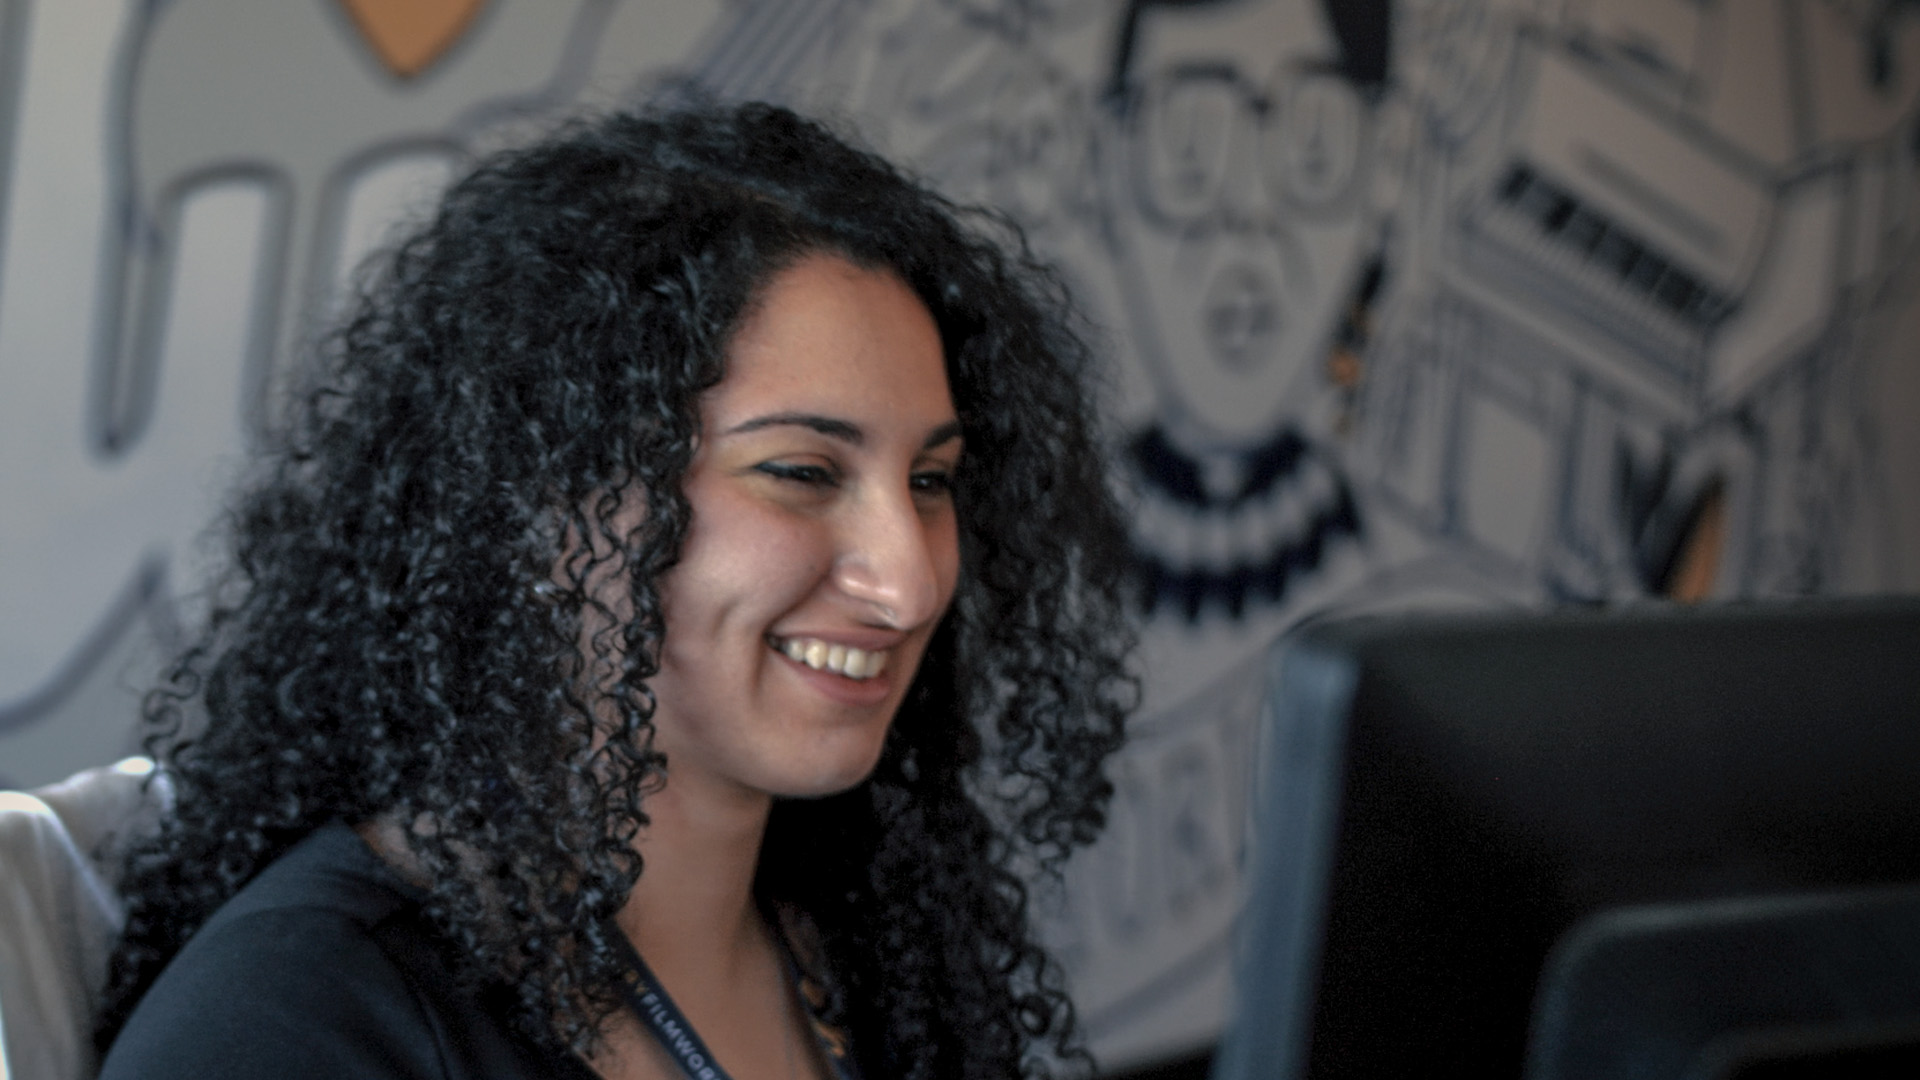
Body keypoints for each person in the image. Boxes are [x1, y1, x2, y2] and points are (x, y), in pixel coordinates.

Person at [93, 102, 1136, 1080]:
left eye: (931, 482)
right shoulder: (299, 1016)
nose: (907, 582)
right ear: (543, 503)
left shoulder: (862, 936)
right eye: (802, 473)